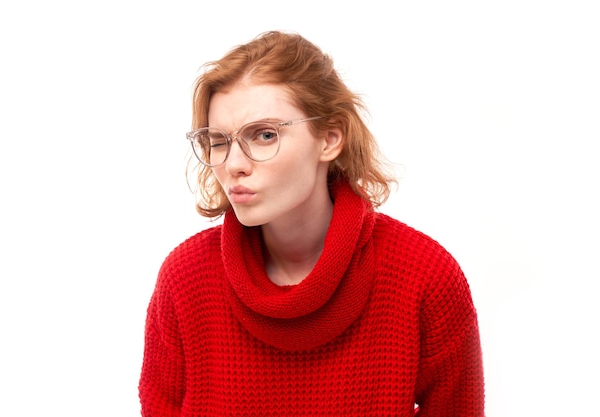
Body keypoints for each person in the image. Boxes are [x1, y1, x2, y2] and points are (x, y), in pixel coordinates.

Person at [139, 30, 484, 416]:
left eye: (265, 134)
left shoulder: (424, 277)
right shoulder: (185, 278)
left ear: (330, 139)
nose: (233, 164)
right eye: (219, 141)